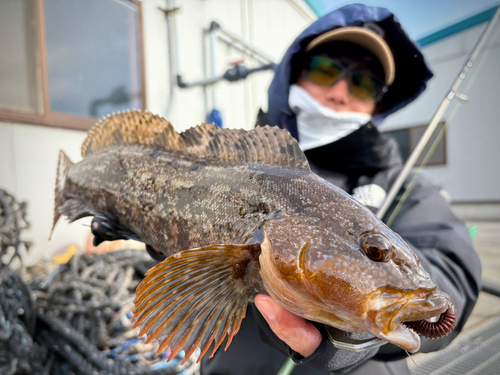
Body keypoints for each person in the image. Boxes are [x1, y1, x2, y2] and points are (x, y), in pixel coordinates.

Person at [201, 4, 482, 375]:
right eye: (324, 70)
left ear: (378, 102)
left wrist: (354, 330)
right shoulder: (230, 167)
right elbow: (188, 277)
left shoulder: (408, 189)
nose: (338, 92)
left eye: (363, 83)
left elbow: (452, 277)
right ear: (292, 76)